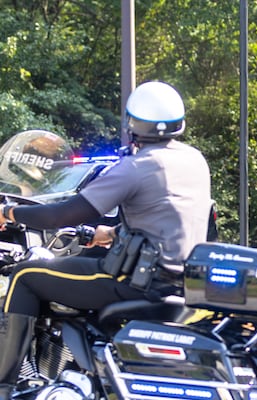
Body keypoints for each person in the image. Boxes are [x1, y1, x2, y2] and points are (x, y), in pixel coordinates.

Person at [0, 81, 212, 399]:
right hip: (179, 285)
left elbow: (62, 216)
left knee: (26, 276)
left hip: (134, 281)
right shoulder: (195, 161)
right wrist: (110, 233)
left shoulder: (136, 167)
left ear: (132, 123)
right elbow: (165, 218)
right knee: (75, 265)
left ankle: (4, 384)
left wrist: (10, 213)